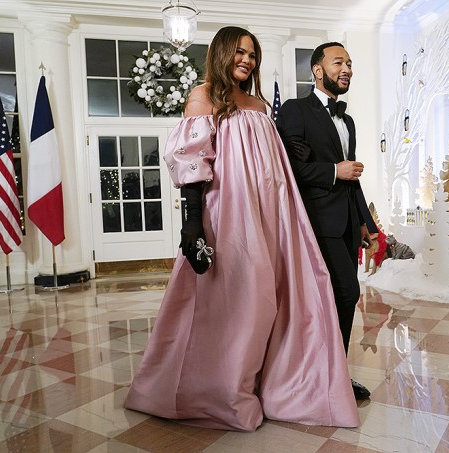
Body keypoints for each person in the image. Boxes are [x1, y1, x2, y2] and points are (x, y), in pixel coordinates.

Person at [124, 27, 359, 432]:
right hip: (229, 214)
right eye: (239, 52)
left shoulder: (259, 105)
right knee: (239, 301)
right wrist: (194, 222)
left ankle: (272, 383)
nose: (247, 60)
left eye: (252, 54)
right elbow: (193, 163)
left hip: (272, 214)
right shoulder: (203, 97)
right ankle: (223, 387)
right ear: (220, 53)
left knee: (276, 298)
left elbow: (276, 163)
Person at [276, 42, 374, 400]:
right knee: (346, 293)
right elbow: (289, 169)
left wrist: (365, 223)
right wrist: (335, 170)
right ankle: (324, 376)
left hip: (347, 222)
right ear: (318, 70)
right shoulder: (294, 110)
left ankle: (332, 374)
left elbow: (353, 176)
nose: (346, 68)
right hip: (316, 221)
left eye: (349, 62)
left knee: (339, 297)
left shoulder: (347, 119)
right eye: (338, 62)